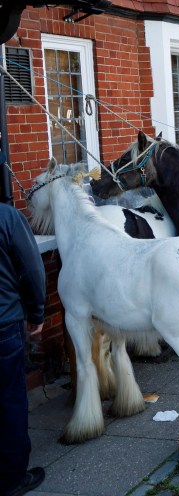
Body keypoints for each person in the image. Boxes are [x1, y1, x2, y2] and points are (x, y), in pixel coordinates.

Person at [0, 203, 47, 496]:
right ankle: (12, 478)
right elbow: (32, 269)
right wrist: (37, 313)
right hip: (5, 324)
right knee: (9, 400)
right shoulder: (7, 217)